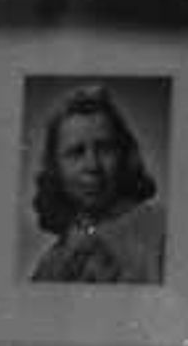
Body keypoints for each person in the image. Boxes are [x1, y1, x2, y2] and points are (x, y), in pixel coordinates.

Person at [23, 83, 165, 285]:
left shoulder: (161, 234)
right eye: (76, 152)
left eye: (105, 148)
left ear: (124, 154)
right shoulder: (51, 264)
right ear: (55, 168)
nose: (92, 165)